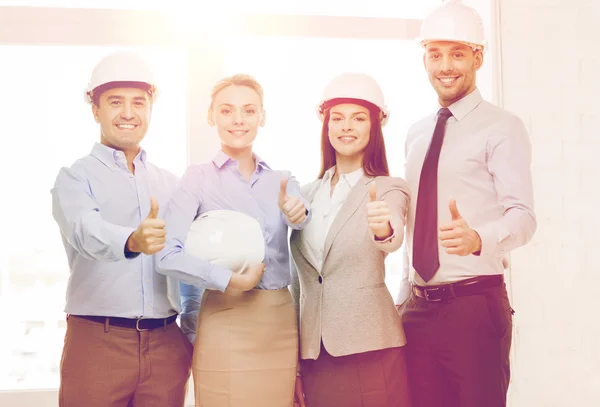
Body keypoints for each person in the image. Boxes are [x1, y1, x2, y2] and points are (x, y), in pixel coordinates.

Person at [398, 1, 537, 407]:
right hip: (418, 309)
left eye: (457, 53)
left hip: (474, 307)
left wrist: (479, 237)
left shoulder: (502, 127)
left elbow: (524, 218)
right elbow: (415, 222)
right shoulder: (416, 133)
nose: (445, 66)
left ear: (477, 56)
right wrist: (405, 293)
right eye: (435, 54)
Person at [156, 74, 310, 407]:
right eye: (227, 111)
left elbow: (302, 215)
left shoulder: (283, 180)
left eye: (249, 110)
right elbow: (166, 254)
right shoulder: (198, 178)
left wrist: (296, 213)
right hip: (225, 319)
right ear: (212, 116)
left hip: (278, 324)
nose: (238, 119)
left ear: (262, 117)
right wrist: (228, 280)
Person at [51, 51, 192, 407]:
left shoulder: (172, 184)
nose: (128, 113)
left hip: (166, 344)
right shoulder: (74, 178)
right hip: (98, 342)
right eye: (115, 102)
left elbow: (192, 259)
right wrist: (132, 240)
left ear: (149, 110)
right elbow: (85, 230)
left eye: (138, 102)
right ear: (95, 109)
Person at [289, 73, 412, 407]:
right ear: (326, 126)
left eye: (358, 118)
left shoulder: (388, 187)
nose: (346, 127)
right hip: (315, 354)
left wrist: (383, 228)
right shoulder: (304, 196)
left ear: (374, 127)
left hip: (370, 348)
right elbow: (297, 284)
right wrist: (294, 364)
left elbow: (393, 235)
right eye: (337, 118)